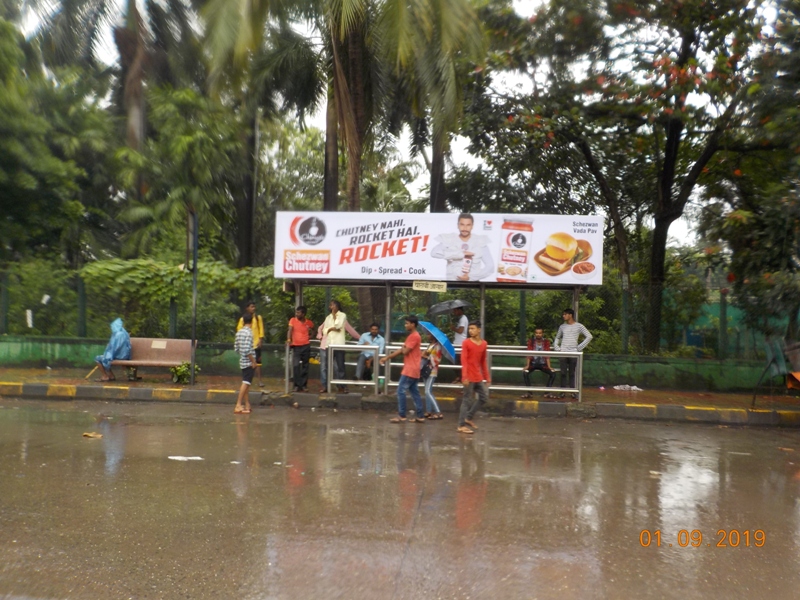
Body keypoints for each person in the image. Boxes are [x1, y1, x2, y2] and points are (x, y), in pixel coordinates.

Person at [380, 316, 425, 423]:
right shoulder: (413, 336)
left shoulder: (414, 336)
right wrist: (387, 357)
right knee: (415, 393)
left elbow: (404, 351)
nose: (405, 325)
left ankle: (402, 415)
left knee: (400, 391)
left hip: (410, 369)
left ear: (413, 324)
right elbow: (402, 350)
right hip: (413, 368)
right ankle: (420, 415)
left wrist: (403, 347)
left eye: (407, 323)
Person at [430, 213, 494, 281]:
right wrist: (461, 254)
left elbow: (490, 266)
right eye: (462, 224)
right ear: (458, 225)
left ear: (472, 226)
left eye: (468, 225)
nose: (465, 228)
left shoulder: (480, 241)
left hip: (473, 285)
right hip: (452, 285)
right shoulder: (449, 239)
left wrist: (471, 277)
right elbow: (434, 253)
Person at [457, 320, 491, 434]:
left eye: (473, 328)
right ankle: (461, 425)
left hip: (478, 376)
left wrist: (487, 377)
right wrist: (464, 377)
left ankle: (469, 417)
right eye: (469, 329)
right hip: (469, 377)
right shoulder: (466, 343)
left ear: (479, 330)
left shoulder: (484, 344)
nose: (470, 331)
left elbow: (483, 362)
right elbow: (464, 361)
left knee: (484, 397)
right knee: (466, 400)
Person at [553, 308, 593, 399]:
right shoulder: (562, 326)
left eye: (565, 314)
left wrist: (579, 348)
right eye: (563, 314)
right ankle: (562, 391)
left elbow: (589, 336)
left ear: (570, 315)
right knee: (563, 373)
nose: (563, 316)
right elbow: (557, 338)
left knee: (572, 373)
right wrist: (557, 348)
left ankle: (573, 391)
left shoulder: (579, 326)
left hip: (573, 353)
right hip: (563, 352)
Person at [521, 328, 556, 398]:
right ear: (535, 334)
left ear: (542, 334)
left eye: (540, 333)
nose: (538, 334)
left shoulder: (546, 342)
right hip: (533, 364)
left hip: (543, 364)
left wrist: (549, 366)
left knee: (553, 374)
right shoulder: (531, 341)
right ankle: (529, 392)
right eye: (537, 333)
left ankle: (547, 392)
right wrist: (528, 365)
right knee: (525, 373)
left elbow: (547, 354)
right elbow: (529, 353)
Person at [236, 301, 265, 387]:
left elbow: (261, 329)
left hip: (256, 344)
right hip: (247, 344)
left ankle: (259, 380)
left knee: (258, 363)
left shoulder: (257, 317)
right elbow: (239, 330)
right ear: (247, 308)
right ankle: (247, 380)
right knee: (247, 363)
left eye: (254, 307)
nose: (253, 308)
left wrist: (260, 339)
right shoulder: (242, 319)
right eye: (252, 307)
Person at [323, 300, 349, 393]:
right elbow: (324, 331)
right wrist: (330, 329)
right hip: (329, 345)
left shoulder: (342, 315)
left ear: (337, 306)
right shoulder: (328, 317)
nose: (331, 307)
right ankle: (326, 386)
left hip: (339, 344)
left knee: (340, 366)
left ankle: (343, 386)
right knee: (327, 366)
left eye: (333, 305)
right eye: (330, 305)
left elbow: (338, 326)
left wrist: (330, 328)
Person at [287, 306, 314, 392]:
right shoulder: (293, 320)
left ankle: (304, 385)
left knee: (305, 366)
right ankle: (296, 385)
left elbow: (314, 329)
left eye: (298, 313)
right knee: (295, 365)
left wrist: (310, 336)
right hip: (296, 346)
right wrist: (288, 340)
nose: (296, 314)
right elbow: (290, 330)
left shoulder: (308, 322)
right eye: (296, 312)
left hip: (306, 345)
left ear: (303, 314)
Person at [234, 312, 257, 414]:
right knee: (246, 383)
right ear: (251, 322)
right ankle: (238, 404)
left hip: (242, 361)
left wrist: (243, 354)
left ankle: (247, 404)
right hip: (249, 362)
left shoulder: (239, 333)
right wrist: (253, 361)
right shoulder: (249, 333)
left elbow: (236, 348)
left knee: (246, 383)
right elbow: (248, 350)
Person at [423, 334, 443, 420]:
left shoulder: (437, 346)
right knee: (427, 391)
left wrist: (426, 356)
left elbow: (437, 360)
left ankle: (438, 411)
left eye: (429, 335)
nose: (428, 336)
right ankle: (429, 411)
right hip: (426, 370)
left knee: (427, 391)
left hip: (432, 371)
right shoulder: (430, 345)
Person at [450, 305, 469, 384]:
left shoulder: (463, 319)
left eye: (455, 311)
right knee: (455, 361)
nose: (454, 312)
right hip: (457, 342)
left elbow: (461, 330)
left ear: (459, 310)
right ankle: (459, 377)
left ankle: (460, 377)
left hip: (460, 343)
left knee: (456, 361)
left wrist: (453, 328)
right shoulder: (461, 319)